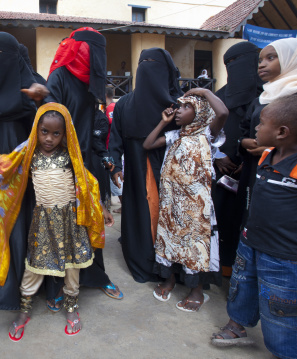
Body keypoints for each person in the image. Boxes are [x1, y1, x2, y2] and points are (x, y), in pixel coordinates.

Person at [0, 103, 112, 341]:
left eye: (56, 133)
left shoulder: (70, 156)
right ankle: (24, 311)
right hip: (42, 220)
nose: (49, 138)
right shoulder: (29, 153)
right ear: (37, 129)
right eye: (44, 131)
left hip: (71, 221)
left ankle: (71, 307)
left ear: (65, 134)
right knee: (33, 266)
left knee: (71, 266)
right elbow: (4, 165)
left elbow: (87, 185)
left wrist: (103, 208)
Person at [211, 94, 297, 359]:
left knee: (283, 307)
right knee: (242, 287)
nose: (255, 128)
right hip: (250, 240)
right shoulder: (266, 155)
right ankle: (238, 324)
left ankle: (287, 352)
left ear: (281, 132)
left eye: (261, 124)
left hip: (286, 255)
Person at [45, 27, 123, 303]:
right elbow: (48, 123)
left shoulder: (92, 82)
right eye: (96, 51)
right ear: (81, 50)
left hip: (88, 161)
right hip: (62, 163)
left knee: (92, 222)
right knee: (62, 225)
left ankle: (96, 275)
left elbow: (92, 126)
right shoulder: (59, 77)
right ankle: (58, 285)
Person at [0, 31, 48, 311]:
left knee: (21, 229)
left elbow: (53, 123)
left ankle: (29, 290)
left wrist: (40, 102)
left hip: (24, 177)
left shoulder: (33, 87)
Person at [144, 88, 228, 311]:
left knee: (196, 244)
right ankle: (169, 279)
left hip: (196, 207)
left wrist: (202, 91)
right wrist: (164, 122)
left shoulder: (207, 134)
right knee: (170, 239)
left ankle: (196, 290)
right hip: (172, 202)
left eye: (186, 107)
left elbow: (222, 113)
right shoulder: (175, 136)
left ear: (200, 112)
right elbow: (148, 144)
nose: (179, 111)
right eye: (179, 107)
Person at [109, 48, 184, 283]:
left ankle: (174, 267)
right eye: (143, 62)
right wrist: (115, 166)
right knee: (142, 213)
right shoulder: (125, 104)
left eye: (153, 63)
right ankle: (146, 261)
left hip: (171, 171)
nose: (147, 67)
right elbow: (116, 138)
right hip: (136, 168)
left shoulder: (179, 105)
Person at [238, 38, 297, 227]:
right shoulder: (263, 96)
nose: (262, 65)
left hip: (293, 178)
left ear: (293, 60)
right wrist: (244, 142)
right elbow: (245, 128)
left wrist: (274, 150)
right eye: (260, 60)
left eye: (271, 58)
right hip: (257, 170)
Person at [213, 41, 262, 276]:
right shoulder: (218, 97)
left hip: (253, 173)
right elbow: (204, 133)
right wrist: (218, 156)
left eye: (238, 62)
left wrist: (247, 161)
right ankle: (221, 266)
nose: (234, 68)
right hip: (220, 175)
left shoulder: (267, 97)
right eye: (228, 64)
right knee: (220, 218)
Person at [105, 86, 122, 213]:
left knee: (114, 179)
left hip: (110, 151)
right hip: (109, 150)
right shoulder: (109, 108)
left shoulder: (111, 108)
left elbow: (111, 123)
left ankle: (124, 206)